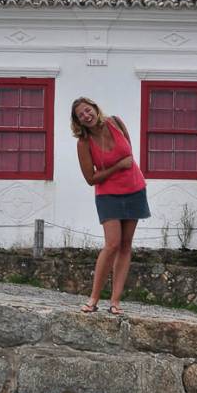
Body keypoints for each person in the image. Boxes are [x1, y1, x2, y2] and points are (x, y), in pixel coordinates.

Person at [71, 96, 151, 314]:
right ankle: (94, 299)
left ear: (95, 109)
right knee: (112, 244)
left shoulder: (116, 122)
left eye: (88, 110)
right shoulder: (84, 143)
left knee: (126, 245)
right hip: (108, 195)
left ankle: (115, 302)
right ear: (77, 121)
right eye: (81, 115)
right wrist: (117, 167)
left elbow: (129, 153)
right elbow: (91, 178)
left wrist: (125, 166)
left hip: (135, 189)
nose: (86, 115)